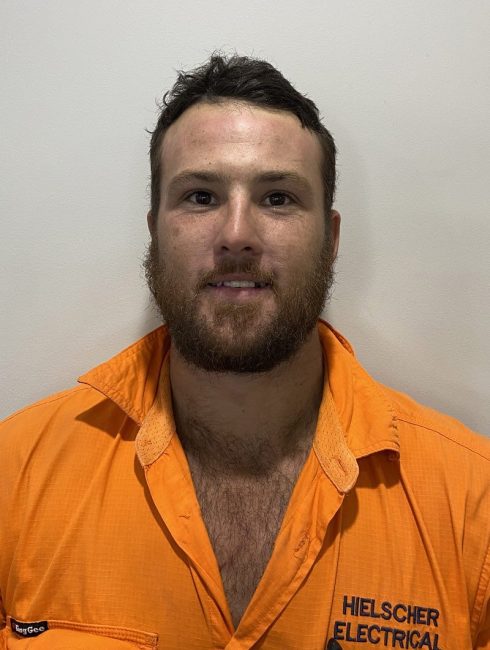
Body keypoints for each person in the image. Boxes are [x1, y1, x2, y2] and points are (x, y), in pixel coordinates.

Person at [0, 53, 488, 650]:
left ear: (331, 240)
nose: (237, 234)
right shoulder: (13, 479)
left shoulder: (470, 504)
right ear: (154, 229)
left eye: (278, 198)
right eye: (201, 196)